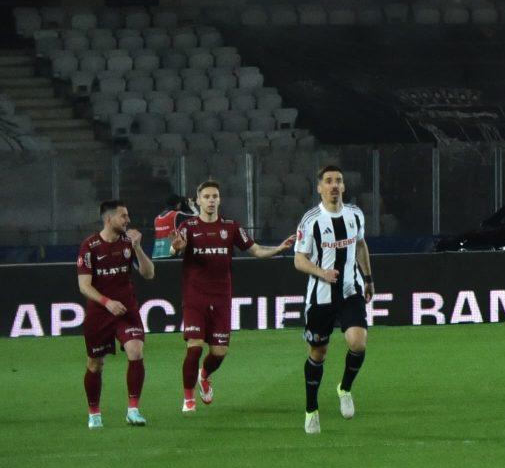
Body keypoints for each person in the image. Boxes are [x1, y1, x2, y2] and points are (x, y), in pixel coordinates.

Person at [168, 179, 288, 412]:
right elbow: (173, 249)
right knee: (194, 346)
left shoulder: (231, 227)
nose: (211, 200)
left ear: (219, 200)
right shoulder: (188, 227)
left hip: (221, 297)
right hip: (195, 297)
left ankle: (205, 375)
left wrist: (278, 249)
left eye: (215, 196)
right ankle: (188, 398)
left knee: (219, 352)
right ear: (198, 200)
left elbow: (255, 250)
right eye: (207, 197)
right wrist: (175, 247)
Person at [292, 164, 373, 435]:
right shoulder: (311, 220)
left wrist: (369, 278)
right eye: (328, 181)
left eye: (339, 180)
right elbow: (299, 260)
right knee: (318, 353)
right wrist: (321, 273)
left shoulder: (355, 215)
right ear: (319, 188)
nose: (334, 185)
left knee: (358, 343)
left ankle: (345, 388)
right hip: (321, 297)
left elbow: (360, 245)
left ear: (344, 186)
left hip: (351, 290)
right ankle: (311, 409)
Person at [75, 199, 154, 427]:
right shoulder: (89, 247)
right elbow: (84, 285)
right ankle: (94, 413)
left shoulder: (129, 243)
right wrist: (107, 302)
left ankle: (133, 410)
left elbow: (149, 274)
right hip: (100, 313)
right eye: (123, 216)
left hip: (127, 310)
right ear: (109, 219)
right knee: (95, 364)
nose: (128, 220)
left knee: (136, 351)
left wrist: (138, 248)